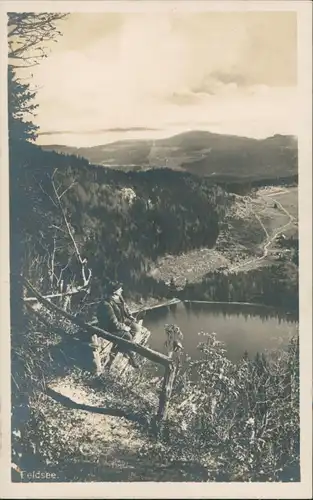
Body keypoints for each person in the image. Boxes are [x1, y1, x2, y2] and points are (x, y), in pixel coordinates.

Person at [96, 282, 142, 368]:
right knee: (127, 336)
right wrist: (125, 328)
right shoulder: (106, 304)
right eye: (119, 288)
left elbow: (125, 308)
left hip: (122, 321)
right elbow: (114, 324)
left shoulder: (119, 297)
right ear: (114, 291)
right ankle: (132, 358)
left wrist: (130, 316)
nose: (122, 290)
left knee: (137, 328)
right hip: (109, 328)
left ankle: (124, 347)